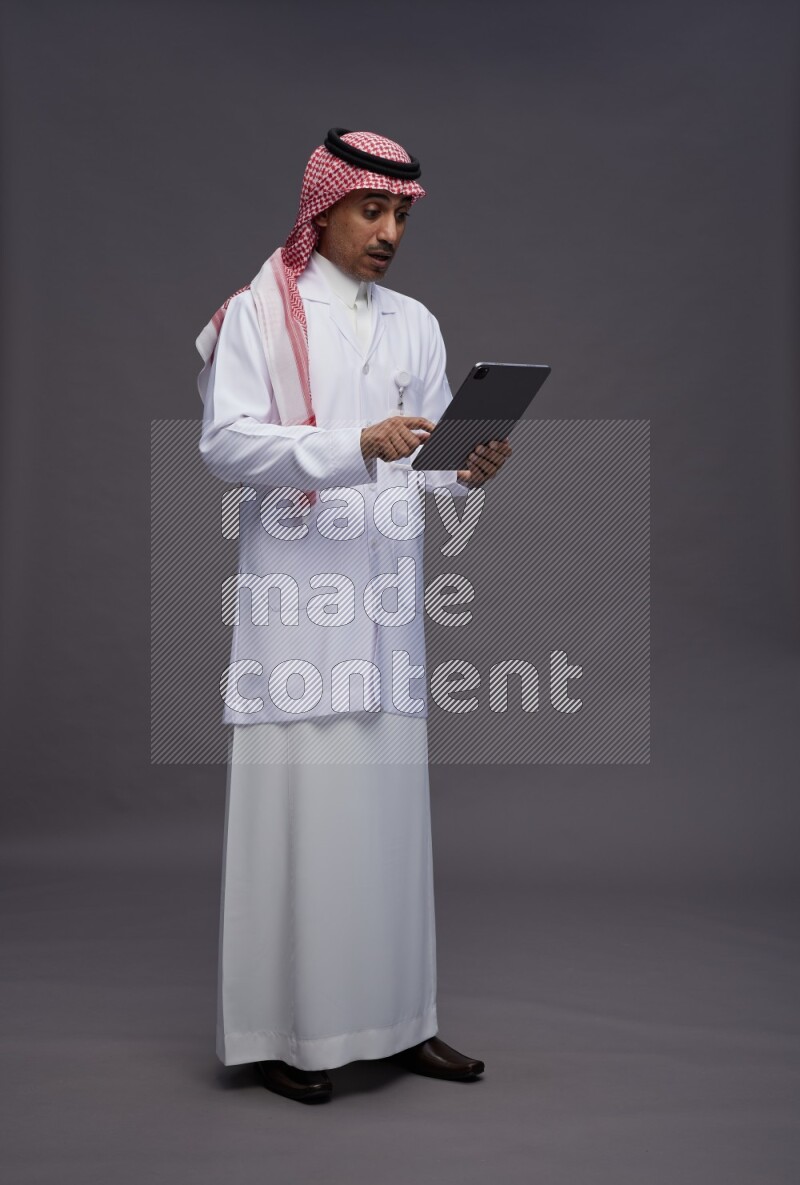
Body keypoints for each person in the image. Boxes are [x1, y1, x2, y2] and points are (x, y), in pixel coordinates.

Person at [196, 128, 511, 1104]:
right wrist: (352, 444)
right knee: (309, 821)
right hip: (301, 607)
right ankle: (291, 1036)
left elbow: (418, 472)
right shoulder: (259, 313)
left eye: (401, 217)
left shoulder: (414, 323)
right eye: (371, 210)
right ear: (321, 209)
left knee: (386, 826)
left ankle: (400, 1022)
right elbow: (225, 444)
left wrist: (465, 471)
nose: (387, 233)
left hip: (383, 606)